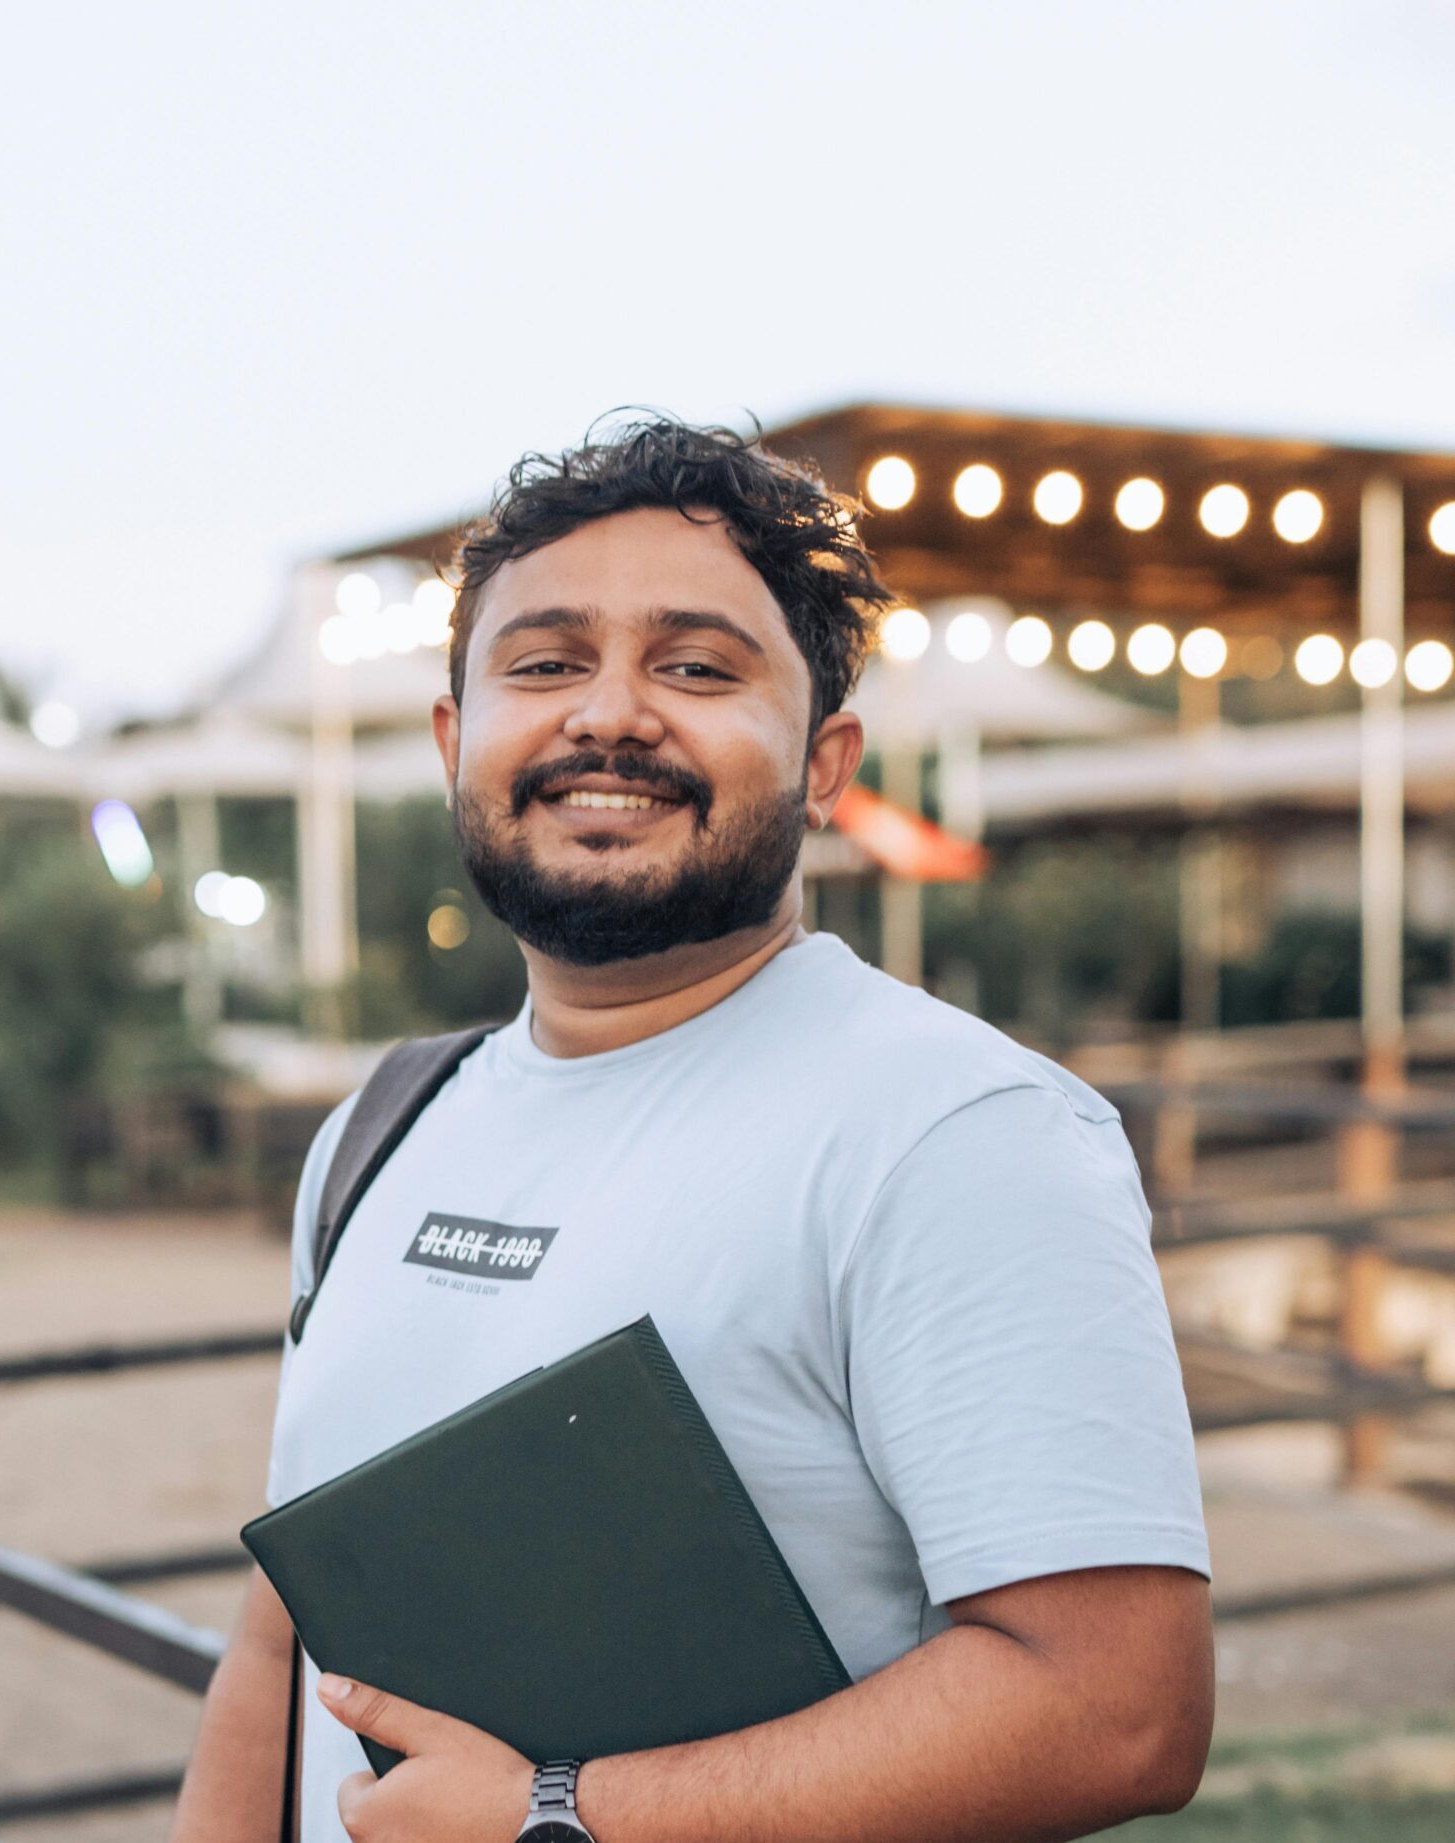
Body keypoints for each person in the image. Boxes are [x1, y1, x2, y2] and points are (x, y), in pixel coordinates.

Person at [170, 415, 1214, 1843]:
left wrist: (561, 1814)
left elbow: (1116, 1712)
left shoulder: (954, 1131)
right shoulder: (385, 1122)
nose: (607, 714)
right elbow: (283, 1640)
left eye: (695, 666)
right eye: (541, 664)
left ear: (826, 761)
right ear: (453, 739)